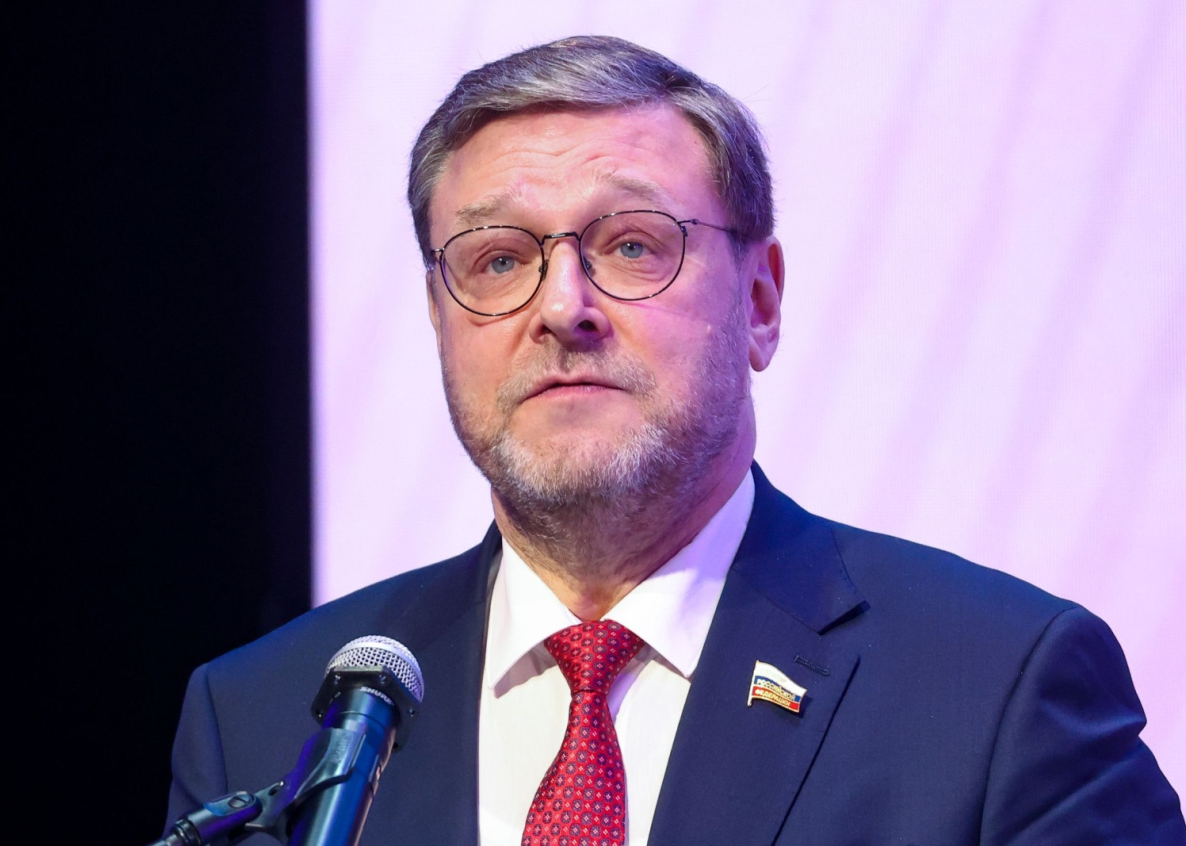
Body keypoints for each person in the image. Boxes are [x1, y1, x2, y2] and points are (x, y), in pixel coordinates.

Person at [165, 36, 1184, 845]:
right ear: (440, 319)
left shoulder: (997, 694)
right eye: (499, 259)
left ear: (761, 301)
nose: (562, 308)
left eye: (632, 245)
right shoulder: (264, 715)